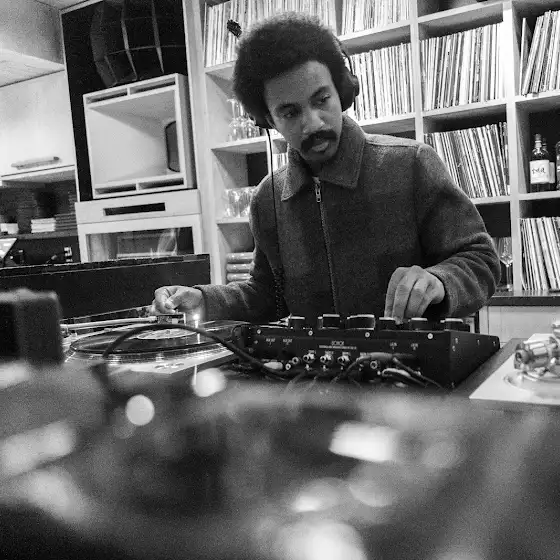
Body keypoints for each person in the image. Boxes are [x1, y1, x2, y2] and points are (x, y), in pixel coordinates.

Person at [152, 12, 500, 325]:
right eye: (290, 112)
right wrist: (204, 299)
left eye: (321, 100)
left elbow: (481, 260)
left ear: (343, 91)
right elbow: (266, 296)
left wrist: (439, 280)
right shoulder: (268, 199)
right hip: (315, 374)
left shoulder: (412, 165)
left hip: (413, 373)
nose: (313, 123)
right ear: (267, 119)